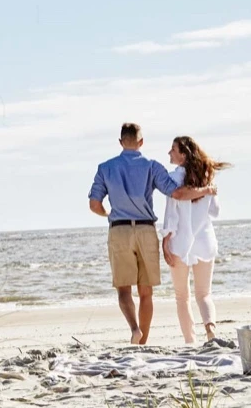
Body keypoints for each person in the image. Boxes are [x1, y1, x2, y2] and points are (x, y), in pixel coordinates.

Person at [88, 123, 216, 344]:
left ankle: (135, 329)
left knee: (124, 290)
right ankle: (144, 341)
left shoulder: (105, 168)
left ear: (120, 142)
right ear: (141, 142)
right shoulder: (152, 166)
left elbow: (94, 204)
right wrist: (206, 190)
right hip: (146, 230)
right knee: (146, 292)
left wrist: (109, 213)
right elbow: (177, 193)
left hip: (119, 229)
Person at [160, 136, 231, 344]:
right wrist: (208, 191)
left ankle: (190, 341)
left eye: (173, 149)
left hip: (180, 243)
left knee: (182, 297)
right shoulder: (207, 178)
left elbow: (171, 215)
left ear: (183, 154)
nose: (169, 153)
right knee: (204, 294)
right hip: (204, 241)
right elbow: (215, 212)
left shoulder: (173, 179)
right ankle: (211, 332)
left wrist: (165, 241)